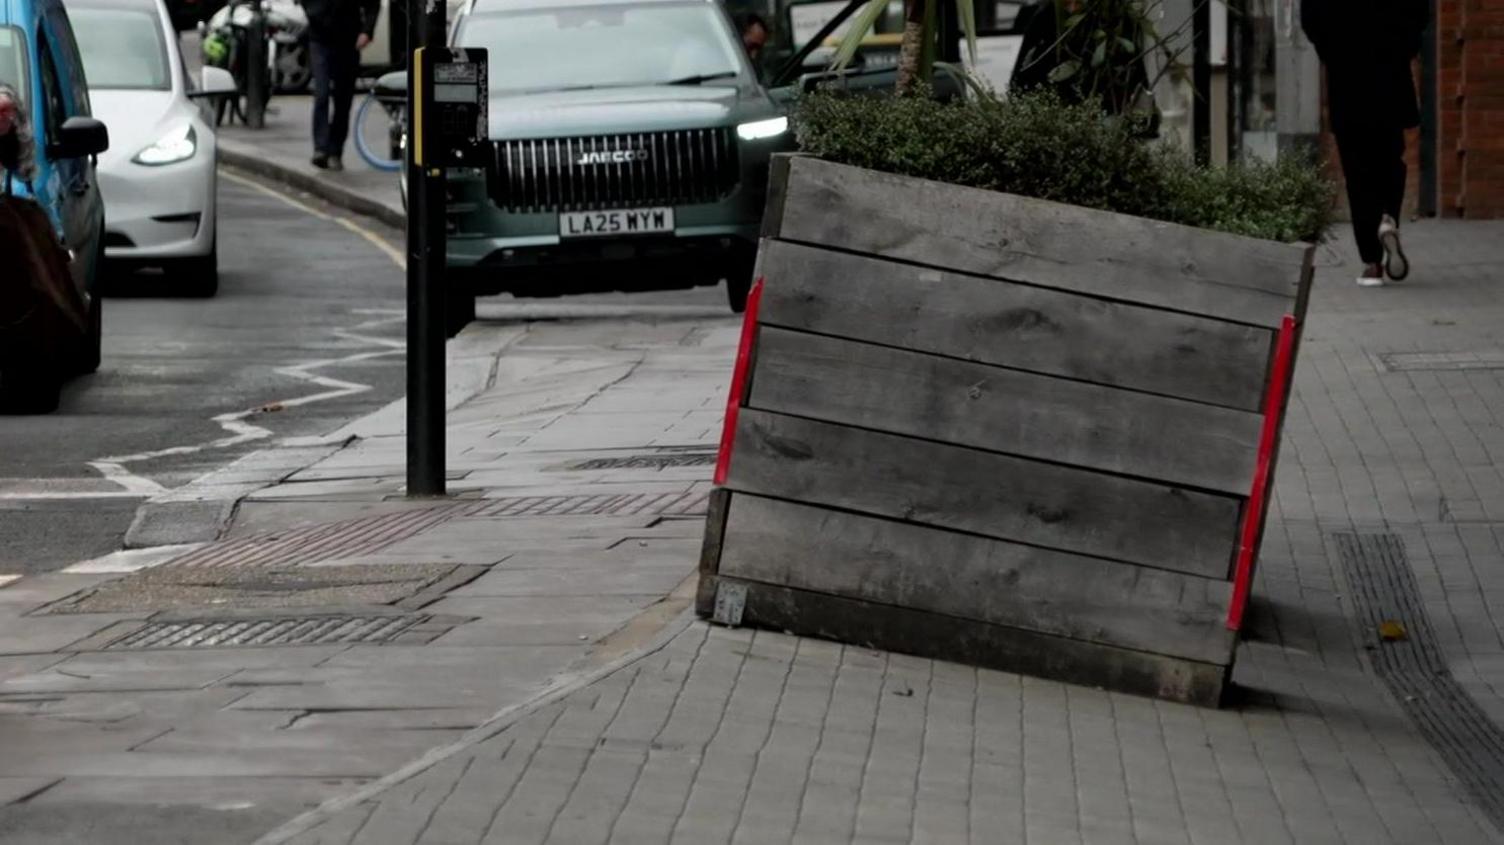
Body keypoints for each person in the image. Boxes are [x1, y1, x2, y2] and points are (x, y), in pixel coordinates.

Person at [1302, 0, 1427, 287]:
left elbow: (1311, 17)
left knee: (1357, 170)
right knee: (1390, 157)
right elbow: (1419, 12)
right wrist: (1403, 49)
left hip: (1346, 77)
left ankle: (1372, 263)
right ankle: (1387, 216)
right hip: (1391, 75)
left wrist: (1332, 52)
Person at [303, 0, 379, 171]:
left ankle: (335, 151)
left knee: (343, 99)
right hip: (319, 38)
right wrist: (314, 14)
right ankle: (320, 149)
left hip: (348, 40)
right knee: (321, 93)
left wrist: (367, 31)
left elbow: (373, 5)